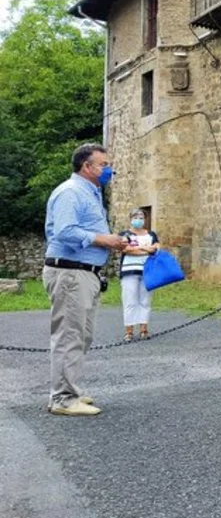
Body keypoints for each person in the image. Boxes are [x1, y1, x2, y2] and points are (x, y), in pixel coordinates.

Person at [42, 143, 128, 416]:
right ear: (86, 166)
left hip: (84, 273)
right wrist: (103, 239)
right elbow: (64, 231)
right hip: (70, 272)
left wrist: (111, 242)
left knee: (81, 335)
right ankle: (63, 399)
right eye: (103, 164)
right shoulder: (71, 192)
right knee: (69, 335)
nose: (109, 169)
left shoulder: (90, 193)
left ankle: (70, 391)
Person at [119, 208, 160, 342]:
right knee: (129, 300)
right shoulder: (124, 234)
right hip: (129, 271)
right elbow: (126, 249)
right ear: (131, 219)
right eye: (135, 217)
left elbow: (156, 248)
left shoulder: (151, 234)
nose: (138, 220)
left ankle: (144, 329)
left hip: (147, 270)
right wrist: (146, 249)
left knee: (145, 300)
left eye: (141, 217)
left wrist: (139, 248)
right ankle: (129, 331)